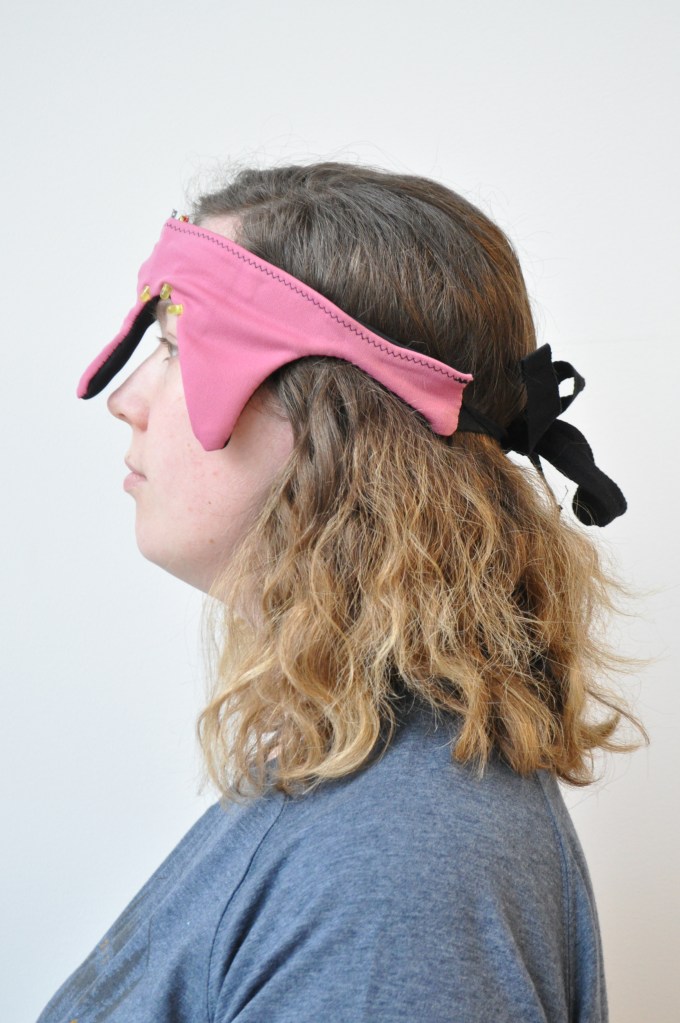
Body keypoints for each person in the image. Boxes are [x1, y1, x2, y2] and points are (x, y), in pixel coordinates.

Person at [38, 162, 646, 1023]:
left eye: (175, 348)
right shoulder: (369, 789)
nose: (128, 398)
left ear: (338, 423)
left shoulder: (395, 869)